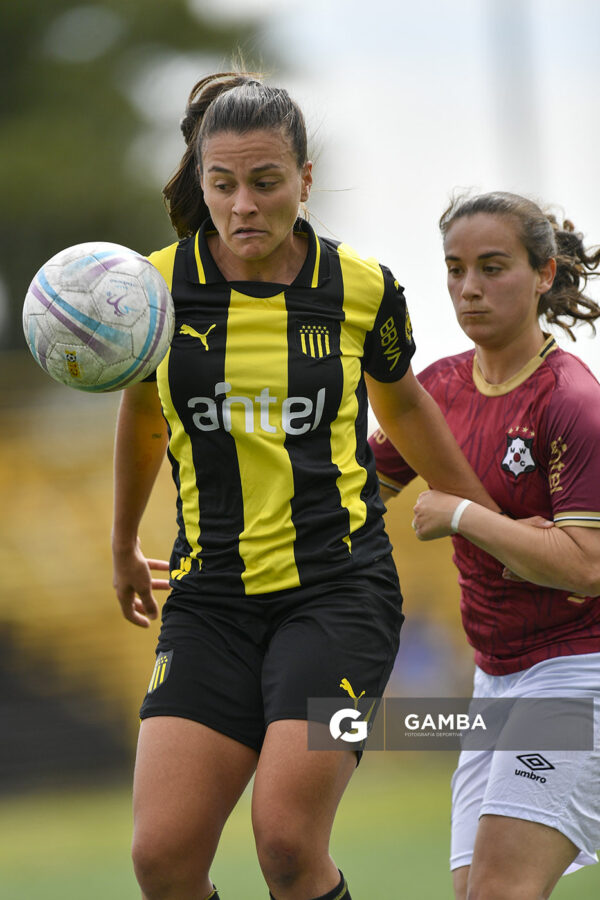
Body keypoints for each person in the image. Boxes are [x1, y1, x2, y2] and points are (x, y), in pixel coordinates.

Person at [111, 72, 496, 900]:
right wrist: (119, 541)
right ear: (200, 184)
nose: (243, 204)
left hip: (339, 596)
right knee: (162, 861)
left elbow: (410, 409)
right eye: (223, 185)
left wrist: (486, 521)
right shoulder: (152, 291)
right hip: (209, 599)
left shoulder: (361, 288)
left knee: (286, 844)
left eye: (265, 181)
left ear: (304, 180)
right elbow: (141, 408)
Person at [370, 191, 600, 900]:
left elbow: (588, 568)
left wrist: (466, 516)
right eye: (455, 268)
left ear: (542, 273)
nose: (469, 288)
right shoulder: (435, 387)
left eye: (493, 267)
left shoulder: (570, 401)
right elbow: (352, 500)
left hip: (576, 674)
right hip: (494, 680)